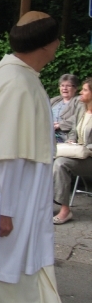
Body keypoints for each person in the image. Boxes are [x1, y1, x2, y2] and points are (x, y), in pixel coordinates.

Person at [0, 11, 61, 303]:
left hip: (23, 193)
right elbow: (8, 154)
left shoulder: (19, 75)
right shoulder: (18, 84)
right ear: (48, 44)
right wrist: (5, 210)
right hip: (15, 200)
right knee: (8, 269)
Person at [53, 77, 92, 225]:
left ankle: (64, 210)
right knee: (53, 160)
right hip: (79, 152)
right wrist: (71, 141)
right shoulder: (82, 109)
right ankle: (47, 205)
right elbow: (74, 131)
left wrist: (84, 149)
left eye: (85, 90)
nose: (81, 92)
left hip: (89, 155)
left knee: (61, 163)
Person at [50, 74, 81, 142]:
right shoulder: (54, 101)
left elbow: (79, 117)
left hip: (65, 137)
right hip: (49, 135)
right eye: (62, 85)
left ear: (75, 88)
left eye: (68, 86)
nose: (64, 88)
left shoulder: (79, 101)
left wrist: (60, 125)